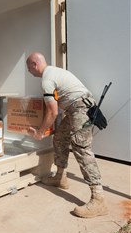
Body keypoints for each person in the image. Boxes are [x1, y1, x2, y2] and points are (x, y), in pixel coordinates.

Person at [26, 52, 107, 218]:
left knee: (81, 148)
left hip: (80, 109)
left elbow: (52, 112)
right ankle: (60, 177)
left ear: (35, 64)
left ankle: (99, 199)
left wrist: (40, 133)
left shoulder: (47, 80)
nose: (29, 72)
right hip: (75, 108)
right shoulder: (55, 72)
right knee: (60, 138)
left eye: (29, 68)